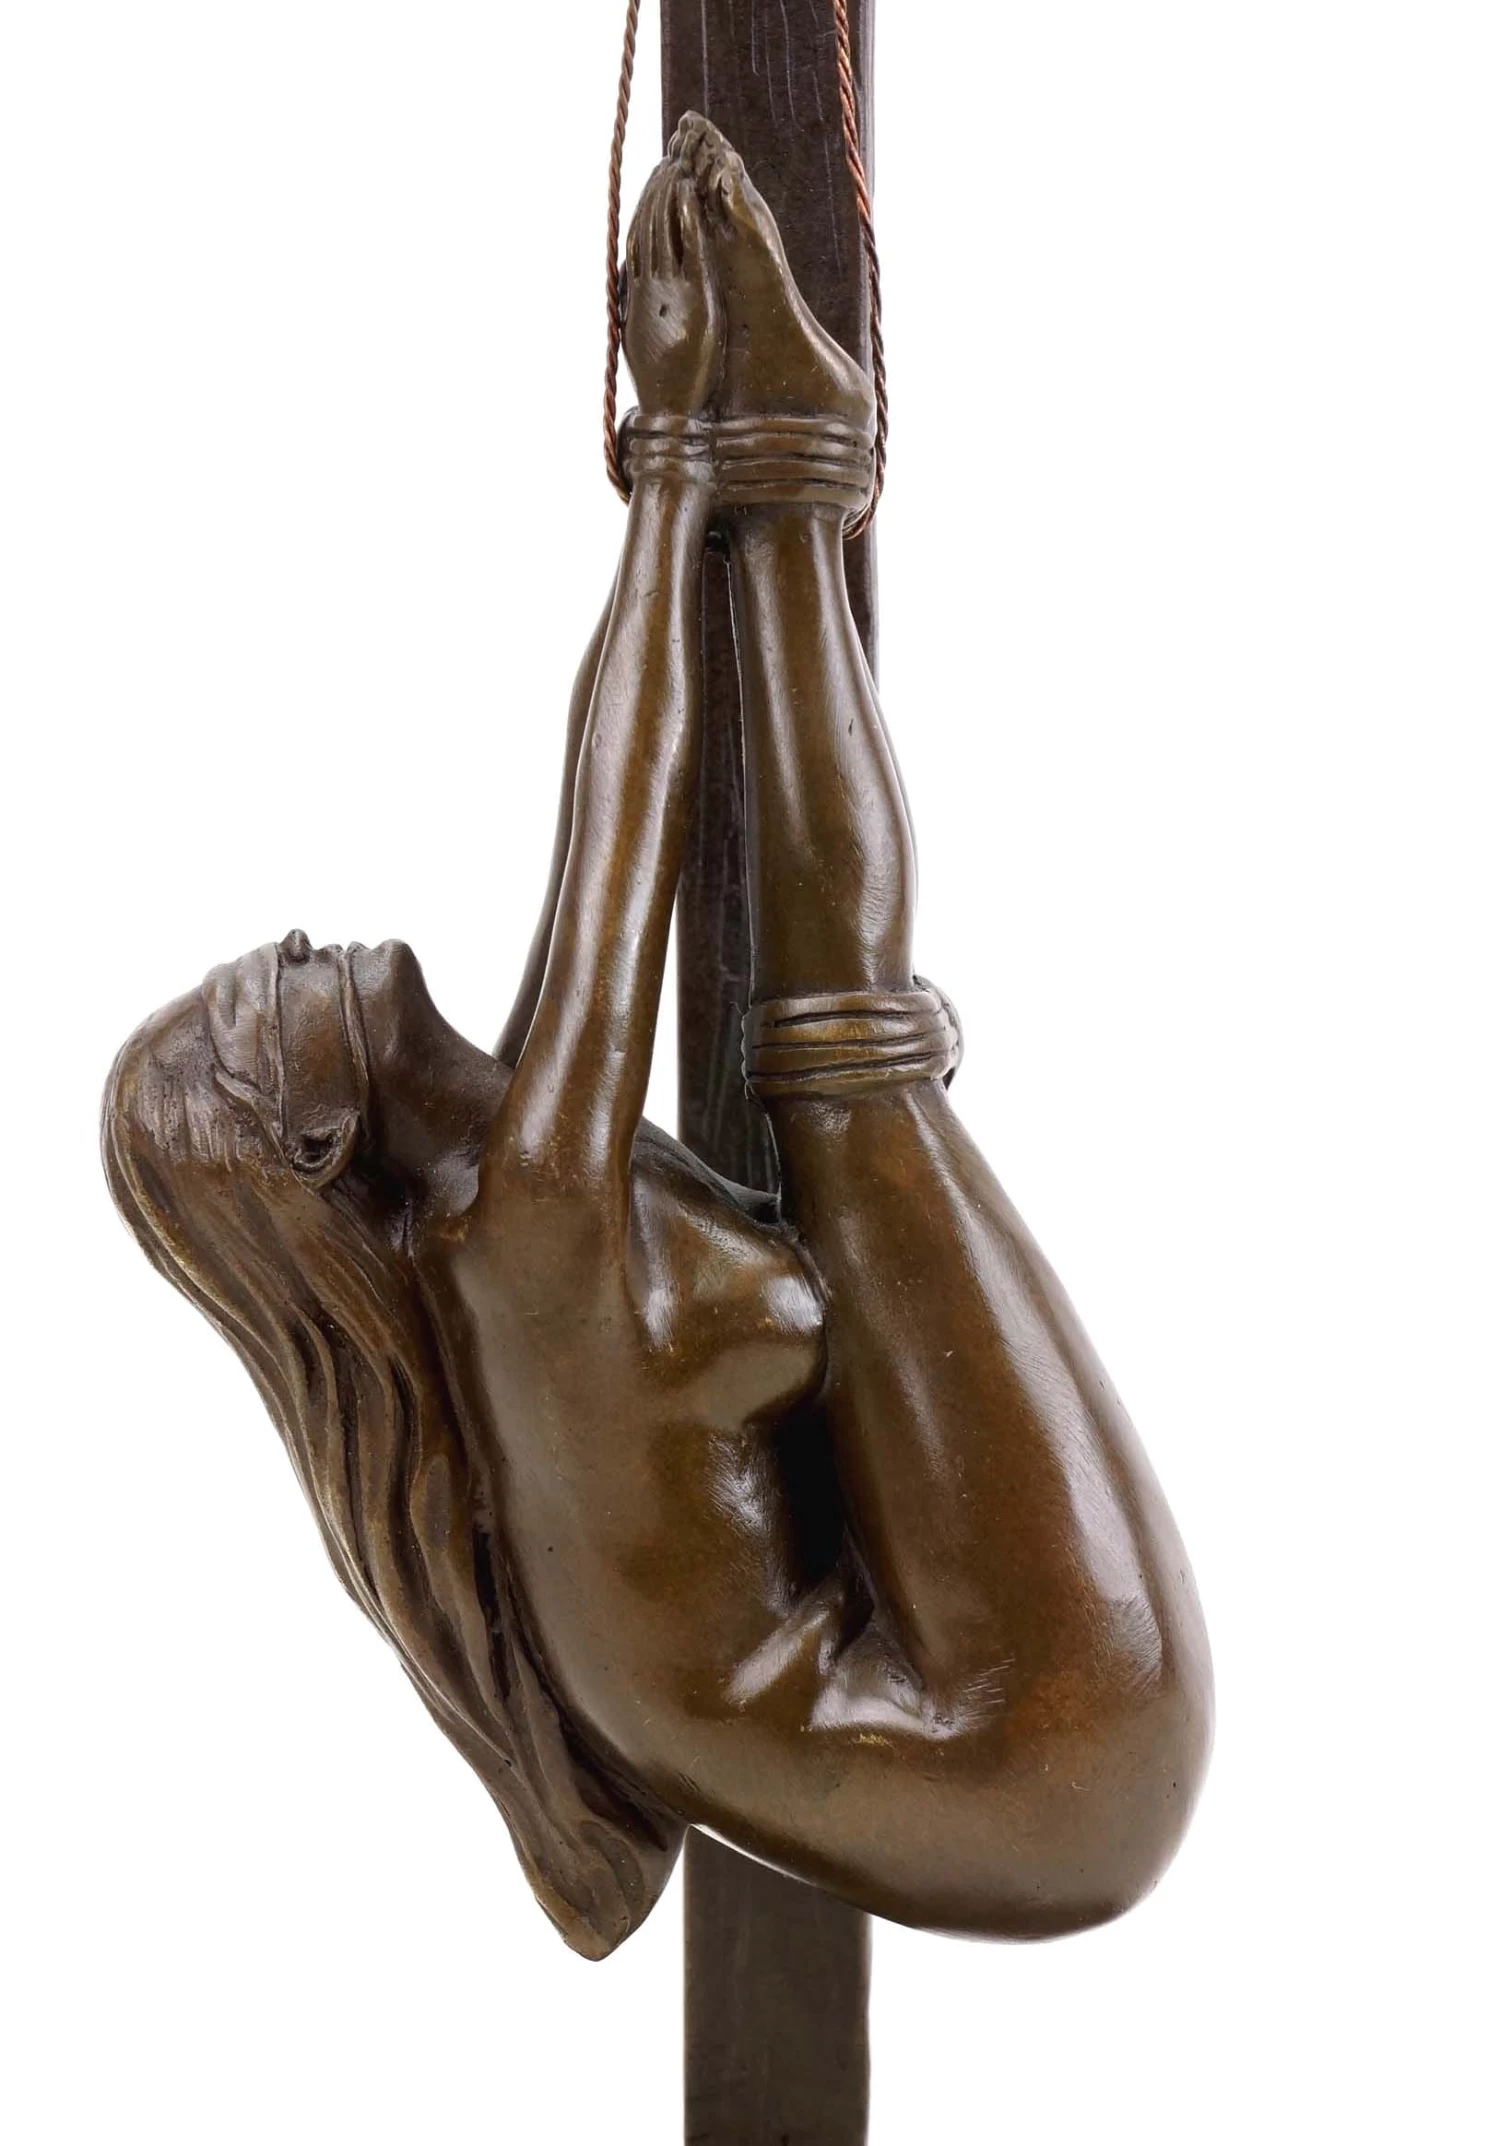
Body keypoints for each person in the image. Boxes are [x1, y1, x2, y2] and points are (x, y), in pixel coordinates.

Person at [104, 118, 1211, 1962]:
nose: (283, 949)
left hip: (988, 1720)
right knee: (846, 1075)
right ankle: (797, 460)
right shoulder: (520, 1229)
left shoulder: (508, 1152)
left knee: (839, 1057)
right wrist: (676, 460)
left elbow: (595, 854)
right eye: (255, 1004)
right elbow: (630, 826)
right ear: (307, 1138)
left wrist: (693, 461)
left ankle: (802, 457)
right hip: (1042, 1754)